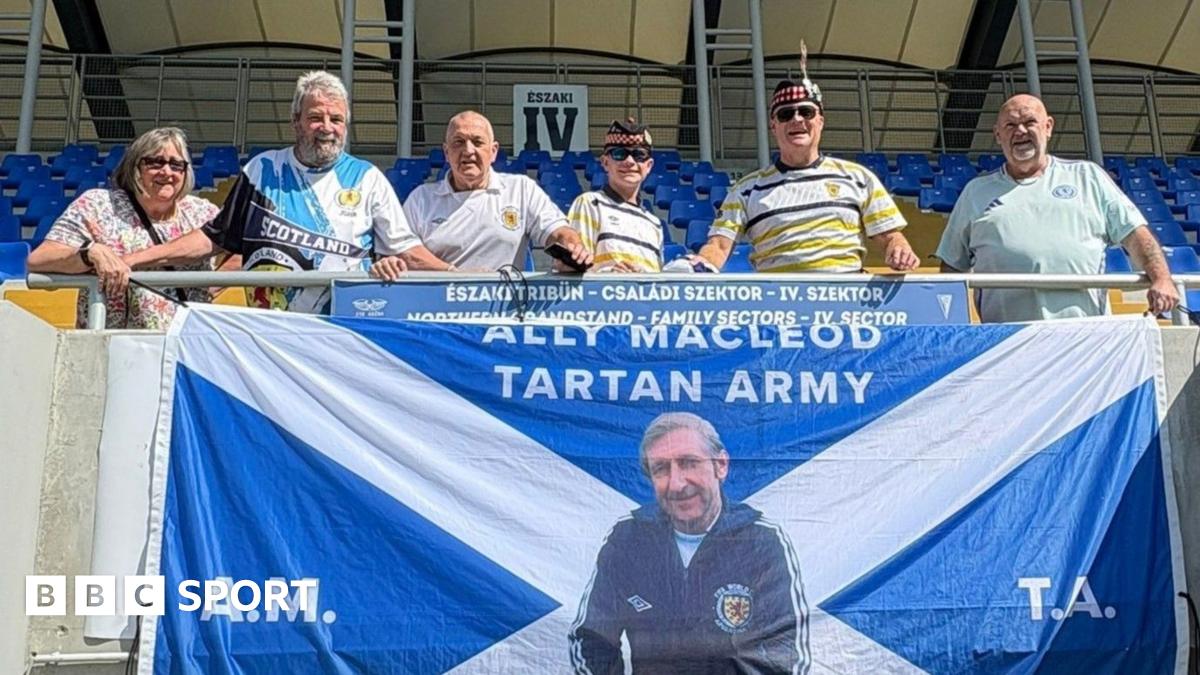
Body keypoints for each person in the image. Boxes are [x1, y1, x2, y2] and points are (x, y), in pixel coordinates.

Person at [122, 71, 412, 313]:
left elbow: (407, 252)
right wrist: (135, 259)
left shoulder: (368, 178)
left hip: (342, 327)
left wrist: (440, 273)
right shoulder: (262, 170)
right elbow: (215, 238)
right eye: (315, 118)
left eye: (336, 119)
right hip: (270, 333)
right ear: (295, 121)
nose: (326, 128)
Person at [569, 412, 809, 674]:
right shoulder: (627, 539)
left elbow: (787, 658)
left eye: (689, 463)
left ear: (721, 465)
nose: (676, 483)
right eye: (661, 469)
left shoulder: (762, 542)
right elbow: (590, 640)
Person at [936, 94, 1179, 322]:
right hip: (1007, 339)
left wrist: (1161, 278)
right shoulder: (975, 192)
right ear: (998, 135)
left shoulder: (1088, 177)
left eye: (1029, 122)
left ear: (1048, 127)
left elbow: (1136, 235)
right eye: (1010, 125)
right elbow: (952, 266)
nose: (1020, 131)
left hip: (1084, 335)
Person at [687, 66, 919, 273]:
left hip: (847, 300)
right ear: (773, 126)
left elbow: (890, 237)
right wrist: (701, 264)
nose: (797, 119)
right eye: (785, 114)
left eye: (806, 112)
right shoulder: (746, 189)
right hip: (779, 303)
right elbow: (719, 246)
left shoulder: (859, 178)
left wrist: (900, 249)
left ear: (820, 121)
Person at [27, 127, 222, 328]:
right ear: (135, 167)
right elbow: (39, 260)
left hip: (185, 341)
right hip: (110, 339)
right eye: (155, 162)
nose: (167, 172)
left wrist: (212, 286)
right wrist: (89, 253)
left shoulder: (203, 212)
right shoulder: (97, 205)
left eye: (176, 165)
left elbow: (236, 249)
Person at [395, 110, 592, 272]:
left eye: (477, 142)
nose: (468, 150)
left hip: (506, 304)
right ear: (447, 152)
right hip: (436, 305)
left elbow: (557, 230)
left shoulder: (521, 190)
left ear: (493, 151)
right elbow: (403, 251)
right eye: (459, 142)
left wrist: (572, 248)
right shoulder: (421, 198)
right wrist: (455, 275)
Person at [564, 118, 662, 272]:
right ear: (605, 162)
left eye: (639, 155)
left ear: (649, 166)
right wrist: (610, 275)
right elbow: (575, 268)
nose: (629, 161)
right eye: (619, 154)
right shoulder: (590, 203)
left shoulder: (654, 224)